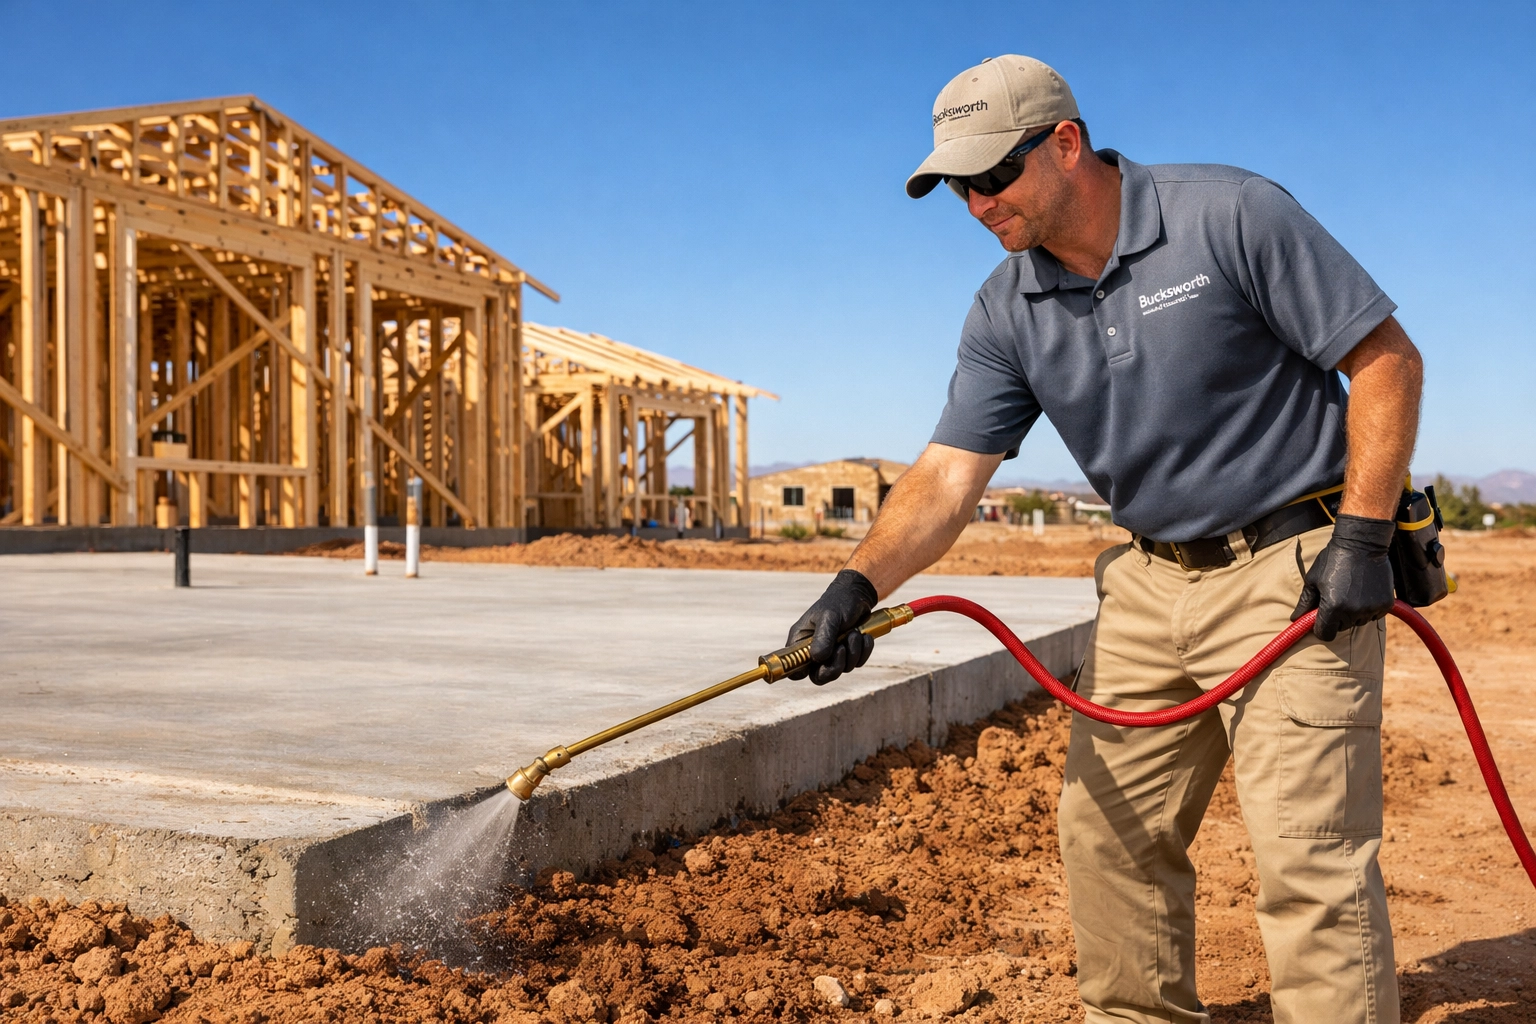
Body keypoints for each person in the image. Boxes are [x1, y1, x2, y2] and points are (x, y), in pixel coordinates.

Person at [784, 55, 1422, 1024]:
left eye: (993, 174)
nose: (976, 202)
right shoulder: (1008, 307)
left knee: (1307, 857)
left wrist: (1365, 537)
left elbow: (1384, 360)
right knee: (1109, 836)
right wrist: (854, 586)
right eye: (957, 184)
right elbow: (951, 474)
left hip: (1289, 571)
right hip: (1146, 587)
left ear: (1067, 142)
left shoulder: (1231, 215)